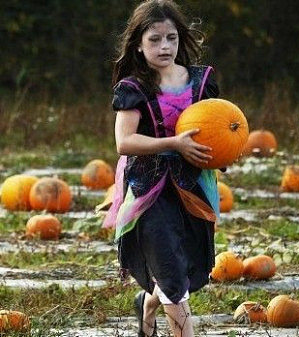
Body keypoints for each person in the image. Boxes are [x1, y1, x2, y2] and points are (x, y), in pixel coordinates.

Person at [103, 1, 219, 336]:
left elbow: (217, 128)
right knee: (169, 271)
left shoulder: (201, 81)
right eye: (154, 39)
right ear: (138, 43)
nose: (164, 46)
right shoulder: (133, 88)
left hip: (192, 189)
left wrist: (223, 151)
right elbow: (124, 142)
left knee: (185, 270)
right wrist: (174, 144)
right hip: (148, 191)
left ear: (181, 39)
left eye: (171, 38)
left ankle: (146, 305)